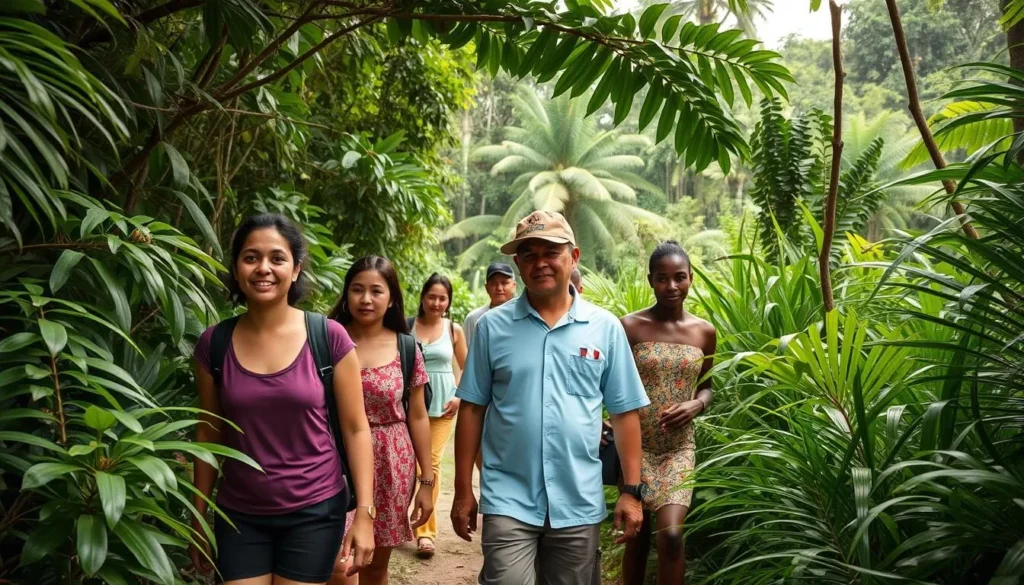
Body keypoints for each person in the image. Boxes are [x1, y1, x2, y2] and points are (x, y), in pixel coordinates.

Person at [451, 210, 651, 585]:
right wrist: (463, 490)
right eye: (529, 254)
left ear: (573, 257)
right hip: (508, 496)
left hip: (578, 500)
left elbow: (625, 414)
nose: (540, 262)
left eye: (551, 252)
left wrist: (631, 492)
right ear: (518, 263)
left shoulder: (604, 328)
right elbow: (474, 409)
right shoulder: (492, 328)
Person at [189, 213, 375, 585]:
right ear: (237, 268)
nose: (263, 268)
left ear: (295, 269)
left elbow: (356, 429)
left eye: (277, 258)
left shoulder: (330, 337)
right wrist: (197, 517)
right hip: (238, 514)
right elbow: (209, 435)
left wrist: (366, 516)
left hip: (315, 510)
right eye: (251, 257)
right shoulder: (215, 344)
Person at [328, 256, 435, 585]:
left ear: (391, 299)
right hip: (334, 459)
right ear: (346, 295)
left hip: (391, 462)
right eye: (357, 289)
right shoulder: (325, 340)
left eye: (376, 291)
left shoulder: (406, 347)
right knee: (340, 565)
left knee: (374, 566)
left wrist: (427, 482)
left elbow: (417, 415)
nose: (365, 299)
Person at [619, 241, 717, 585]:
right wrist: (604, 419)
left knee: (672, 536)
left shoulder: (704, 331)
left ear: (690, 278)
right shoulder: (629, 326)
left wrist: (697, 403)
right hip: (635, 447)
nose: (671, 286)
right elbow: (610, 383)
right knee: (637, 536)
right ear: (650, 280)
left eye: (679, 277)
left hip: (678, 449)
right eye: (662, 278)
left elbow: (708, 384)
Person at [409, 273, 469, 559]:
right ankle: (398, 521)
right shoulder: (407, 327)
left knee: (429, 466)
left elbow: (469, 368)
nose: (436, 302)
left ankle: (425, 532)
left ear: (448, 302)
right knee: (407, 466)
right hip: (409, 406)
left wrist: (459, 395)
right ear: (423, 297)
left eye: (442, 298)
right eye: (431, 296)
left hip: (443, 407)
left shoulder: (453, 329)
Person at [463, 262, 517, 349]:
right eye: (493, 284)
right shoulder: (474, 319)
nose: (499, 288)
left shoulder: (524, 316)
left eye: (504, 283)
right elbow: (467, 354)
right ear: (486, 287)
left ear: (514, 286)